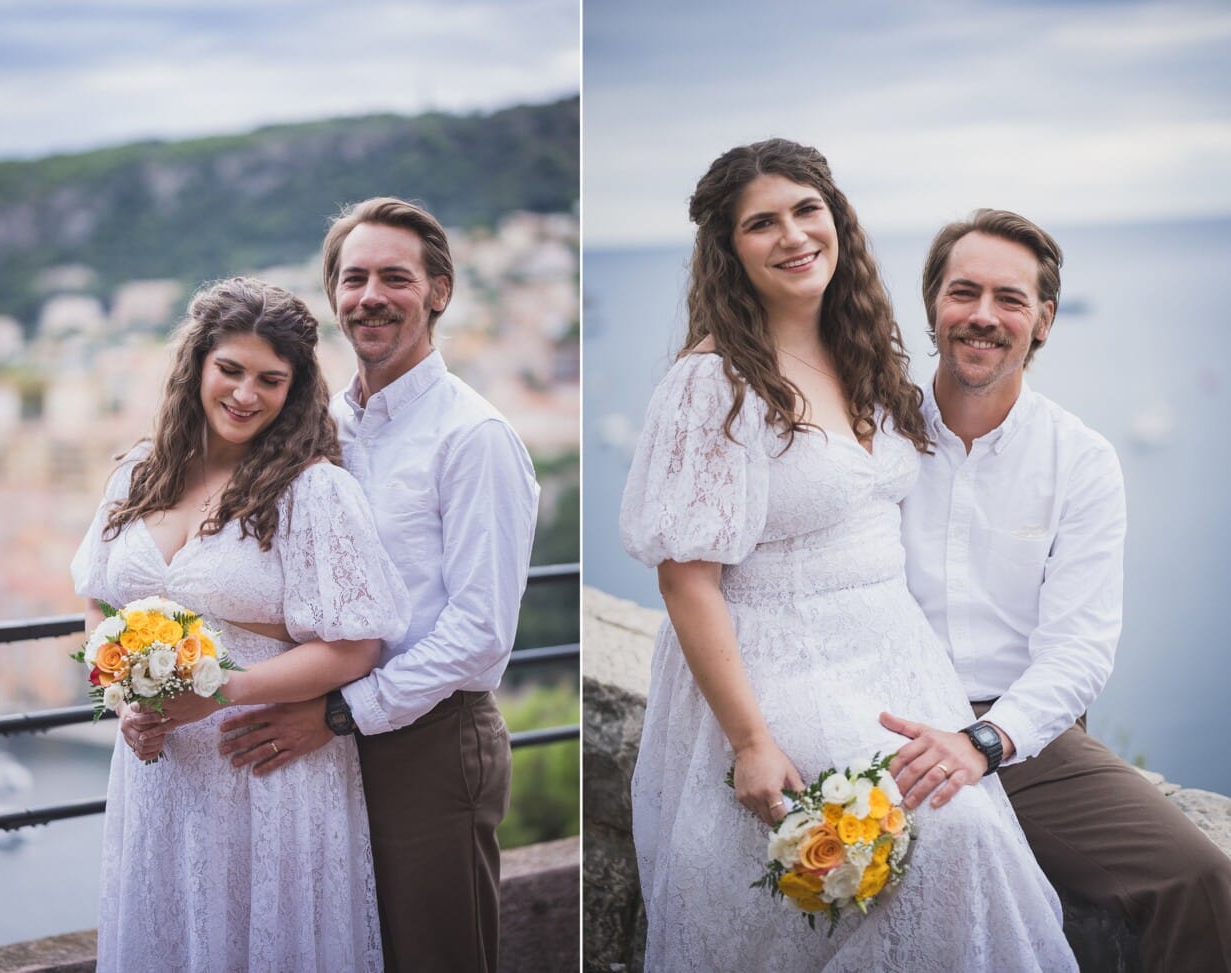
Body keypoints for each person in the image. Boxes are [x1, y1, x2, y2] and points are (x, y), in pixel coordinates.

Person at [618, 140, 1076, 971]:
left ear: (837, 221)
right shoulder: (712, 383)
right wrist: (750, 740)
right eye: (762, 223)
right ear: (729, 251)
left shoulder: (864, 352)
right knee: (951, 840)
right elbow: (686, 577)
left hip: (894, 664)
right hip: (781, 667)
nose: (792, 235)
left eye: (806, 211)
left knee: (960, 844)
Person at [133, 197, 540, 972]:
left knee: (433, 954)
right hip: (316, 735)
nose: (370, 296)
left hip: (427, 736)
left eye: (395, 277)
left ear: (439, 292)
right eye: (353, 278)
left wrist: (339, 711)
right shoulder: (319, 426)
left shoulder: (474, 437)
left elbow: (481, 632)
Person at [883, 208, 1231, 971]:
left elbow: (1076, 650)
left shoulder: (1081, 461)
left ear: (1043, 320)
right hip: (882, 717)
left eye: (1009, 299)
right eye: (963, 292)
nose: (982, 316)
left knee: (1203, 879)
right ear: (933, 304)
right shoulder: (871, 434)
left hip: (1017, 733)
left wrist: (986, 741)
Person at [71, 277, 410, 973]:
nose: (245, 393)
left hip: (264, 772)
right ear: (197, 363)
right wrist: (123, 698)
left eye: (270, 379)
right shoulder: (138, 472)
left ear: (295, 388)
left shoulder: (312, 492)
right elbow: (101, 600)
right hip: (157, 778)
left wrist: (221, 691)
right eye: (230, 369)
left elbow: (356, 644)